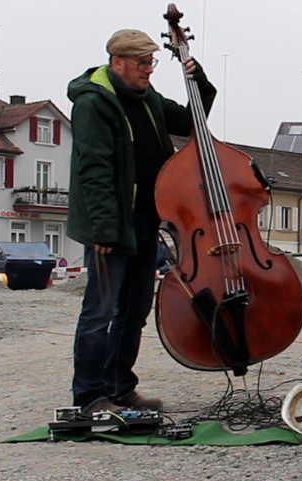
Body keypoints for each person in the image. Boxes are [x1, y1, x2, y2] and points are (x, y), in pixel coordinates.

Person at [66, 29, 216, 415]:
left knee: (134, 311)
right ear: (117, 63)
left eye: (152, 62)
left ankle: (119, 386)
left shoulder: (145, 96)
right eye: (142, 63)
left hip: (147, 219)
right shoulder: (94, 102)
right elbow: (93, 169)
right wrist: (103, 228)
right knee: (99, 312)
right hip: (113, 223)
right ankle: (88, 396)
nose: (149, 70)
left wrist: (197, 79)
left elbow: (187, 122)